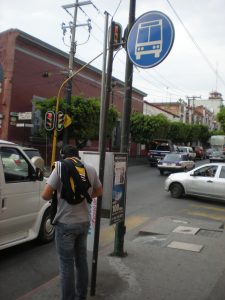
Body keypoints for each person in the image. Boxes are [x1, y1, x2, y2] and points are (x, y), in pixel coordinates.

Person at [41, 145, 103, 300]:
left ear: (64, 156)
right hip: (84, 222)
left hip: (65, 224)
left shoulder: (60, 168)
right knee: (81, 261)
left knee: (66, 265)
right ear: (77, 156)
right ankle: (81, 296)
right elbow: (99, 191)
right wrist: (85, 198)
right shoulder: (90, 169)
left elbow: (45, 195)